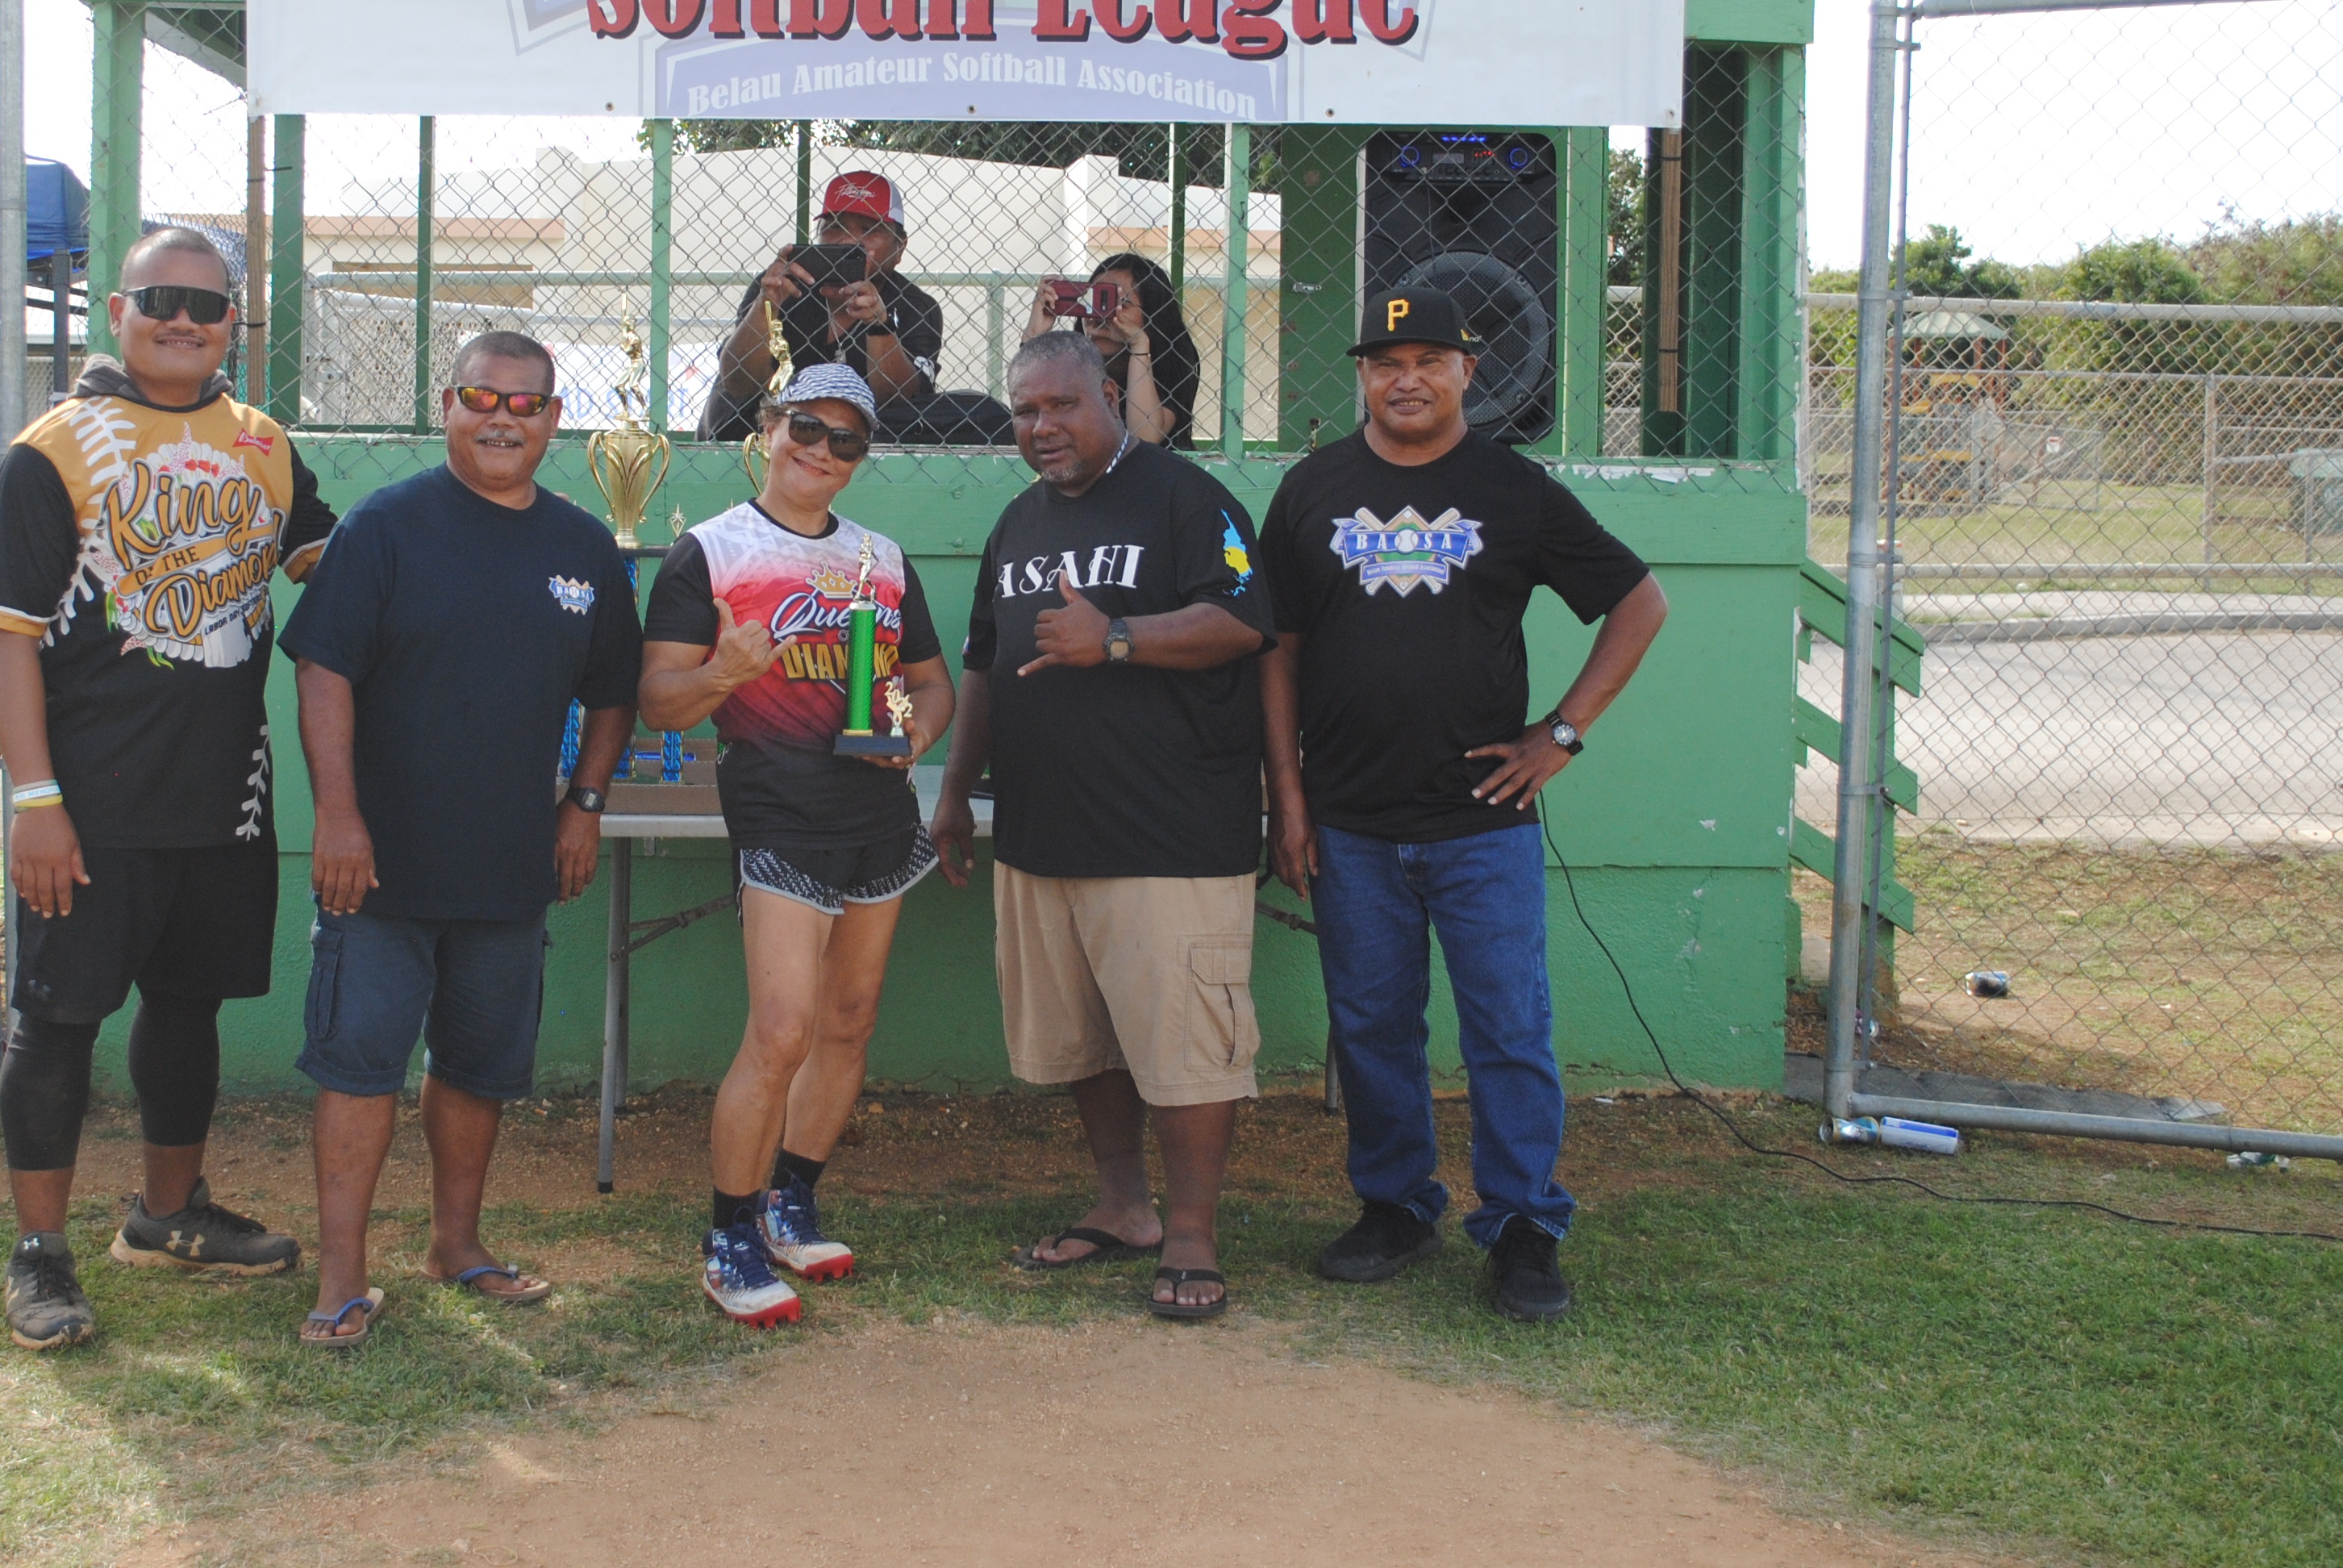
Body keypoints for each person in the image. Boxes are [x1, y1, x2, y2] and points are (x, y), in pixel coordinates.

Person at [1257, 289, 1669, 1324]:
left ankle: (1525, 1225)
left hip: (1480, 822)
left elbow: (1637, 601)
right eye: (1385, 360)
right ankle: (1395, 1205)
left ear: (1467, 373)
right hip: (1349, 822)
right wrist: (1288, 801)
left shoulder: (1509, 487)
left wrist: (1560, 734)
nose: (1406, 378)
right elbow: (1278, 653)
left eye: (1429, 359)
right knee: (1371, 1026)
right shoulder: (1312, 489)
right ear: (1359, 373)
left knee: (1506, 1027)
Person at [0, 224, 337, 1353]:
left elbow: (328, 569)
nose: (184, 321)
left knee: (189, 1006)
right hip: (88, 802)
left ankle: (167, 1215)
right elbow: (8, 641)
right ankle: (39, 1254)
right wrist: (36, 801)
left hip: (224, 794)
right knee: (60, 1017)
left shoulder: (265, 446)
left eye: (208, 305)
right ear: (118, 313)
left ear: (237, 323)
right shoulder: (56, 450)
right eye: (160, 301)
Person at [281, 332, 641, 1349]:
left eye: (524, 405)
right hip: (379, 863)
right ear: (447, 404)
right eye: (482, 398)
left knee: (479, 1065)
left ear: (552, 421)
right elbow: (322, 672)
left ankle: (457, 1245)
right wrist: (339, 817)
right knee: (359, 1063)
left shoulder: (578, 548)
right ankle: (342, 1274)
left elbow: (613, 691)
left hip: (507, 862)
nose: (502, 419)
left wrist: (584, 804)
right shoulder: (387, 528)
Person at [930, 331, 1274, 1322]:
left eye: (1059, 407)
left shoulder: (1183, 497)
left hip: (1167, 832)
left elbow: (1245, 622)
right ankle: (1122, 1207)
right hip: (1043, 830)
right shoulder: (1016, 521)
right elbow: (987, 664)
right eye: (1023, 411)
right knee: (1084, 1041)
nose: (1040, 428)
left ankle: (1194, 1234)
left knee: (1184, 1047)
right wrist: (956, 790)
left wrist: (1114, 637)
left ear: (1107, 401)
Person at [638, 365, 956, 1328]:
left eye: (845, 441)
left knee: (848, 1023)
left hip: (877, 821)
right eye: (805, 429)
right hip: (778, 818)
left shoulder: (881, 561)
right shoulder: (709, 552)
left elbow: (932, 686)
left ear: (861, 460)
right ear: (768, 429)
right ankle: (728, 1236)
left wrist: (910, 735)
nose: (821, 451)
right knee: (781, 1031)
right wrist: (724, 673)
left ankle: (791, 1199)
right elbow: (658, 698)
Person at [701, 170, 943, 439]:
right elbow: (738, 381)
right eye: (835, 226)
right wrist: (766, 304)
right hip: (752, 443)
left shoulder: (916, 307)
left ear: (900, 247)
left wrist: (879, 325)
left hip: (859, 452)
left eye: (869, 229)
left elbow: (902, 404)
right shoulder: (782, 285)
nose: (849, 240)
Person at [1019, 252, 1200, 447]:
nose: (1099, 316)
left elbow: (1145, 437)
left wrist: (1139, 346)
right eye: (1093, 300)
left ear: (1151, 315)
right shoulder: (1073, 359)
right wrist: (1033, 338)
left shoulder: (1171, 359)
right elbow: (1027, 411)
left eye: (1119, 304)